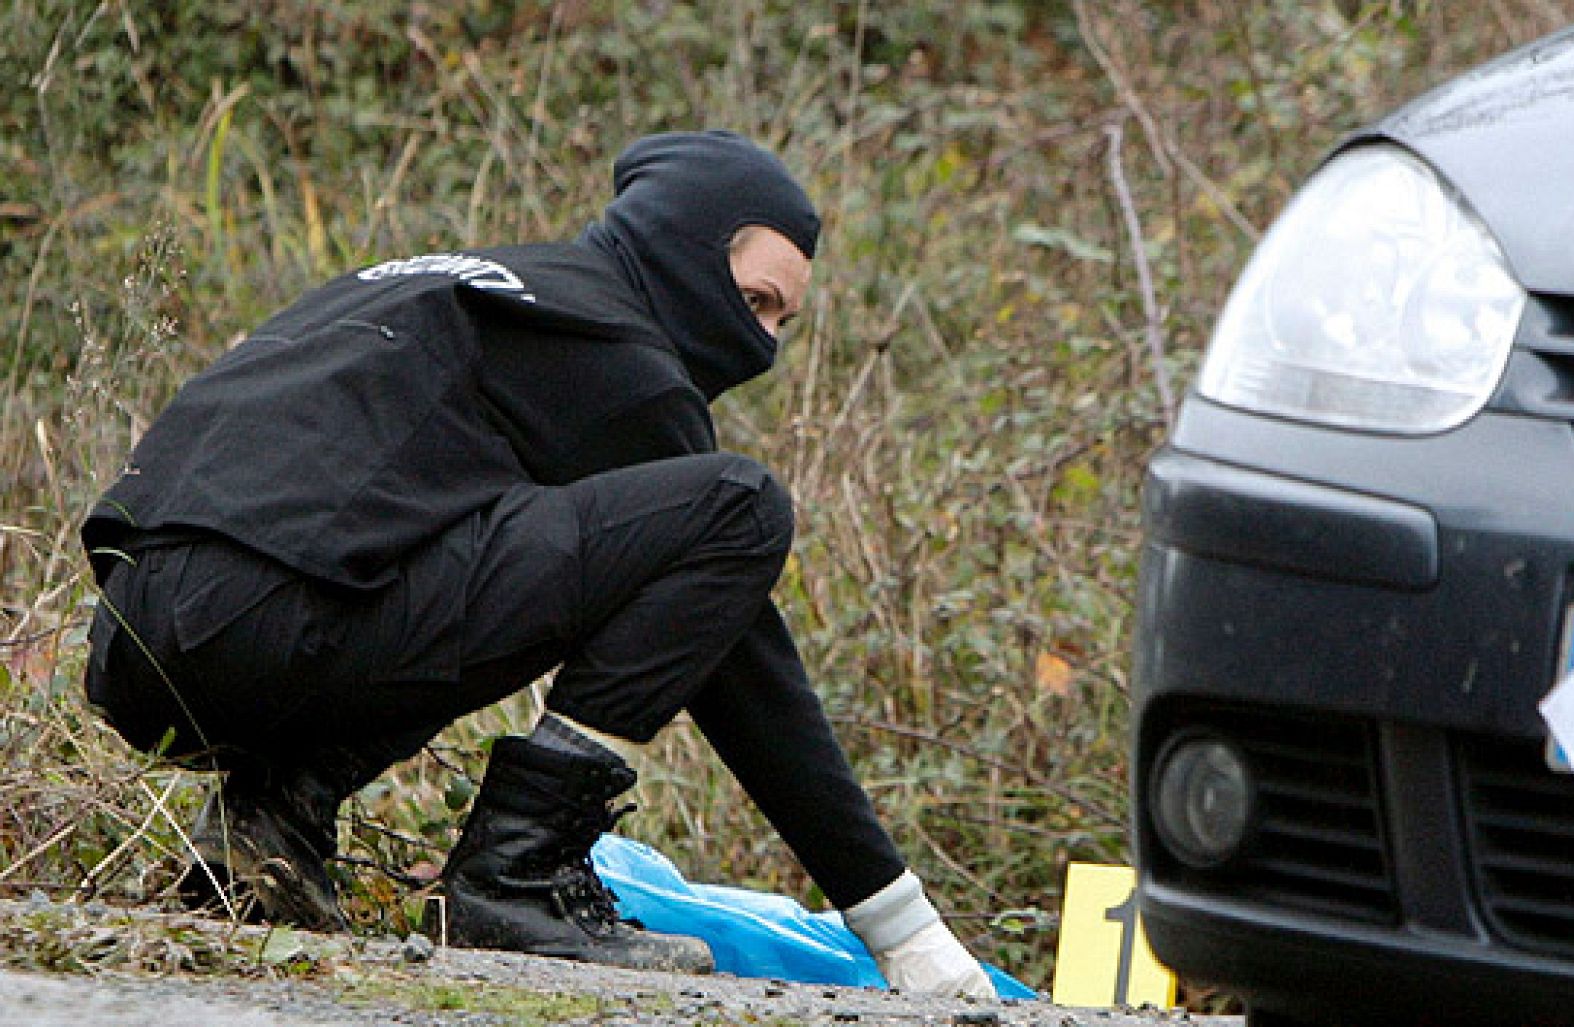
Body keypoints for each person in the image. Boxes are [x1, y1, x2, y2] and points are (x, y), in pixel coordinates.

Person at [81, 130, 995, 996]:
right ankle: (519, 870)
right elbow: (743, 663)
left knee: (463, 541)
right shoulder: (613, 345)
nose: (760, 343)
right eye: (754, 299)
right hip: (260, 625)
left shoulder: (475, 283)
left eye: (782, 320)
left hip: (134, 648)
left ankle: (269, 823)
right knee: (739, 508)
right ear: (684, 245)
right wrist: (901, 928)